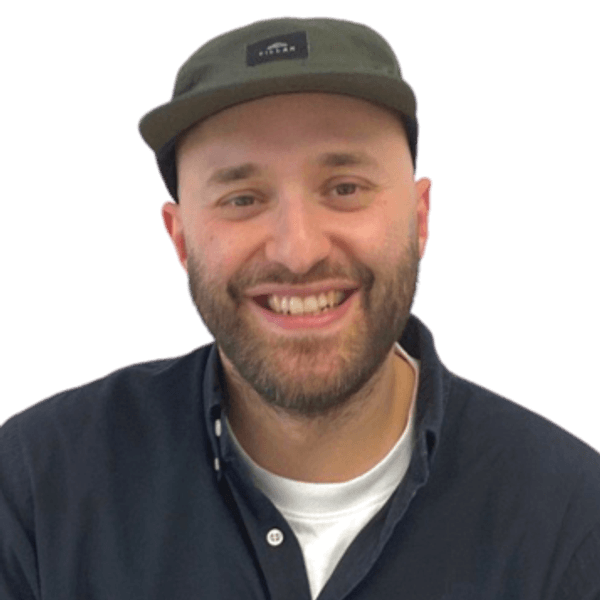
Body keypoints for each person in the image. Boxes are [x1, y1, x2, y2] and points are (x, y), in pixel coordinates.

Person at [1, 16, 598, 600]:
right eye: (242, 198)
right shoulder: (36, 491)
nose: (298, 251)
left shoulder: (571, 518)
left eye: (345, 188)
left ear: (420, 220)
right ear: (180, 241)